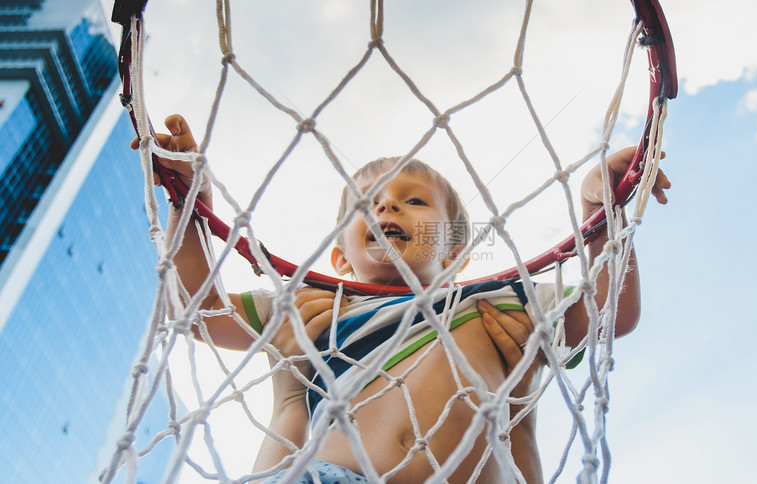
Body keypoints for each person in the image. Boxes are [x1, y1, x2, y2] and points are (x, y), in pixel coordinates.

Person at [132, 114, 670, 484]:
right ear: (340, 257)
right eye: (368, 204)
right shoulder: (317, 303)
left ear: (455, 252)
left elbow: (612, 315)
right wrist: (190, 203)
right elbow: (199, 311)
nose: (388, 208)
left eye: (414, 201)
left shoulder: (498, 301)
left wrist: (603, 214)